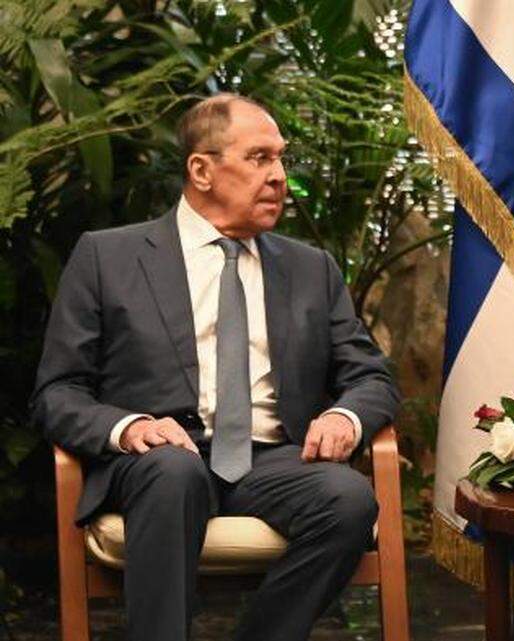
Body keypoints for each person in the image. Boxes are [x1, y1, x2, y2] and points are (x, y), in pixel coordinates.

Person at [32, 94, 401, 641]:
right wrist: (128, 427)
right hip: (157, 460)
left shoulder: (310, 268)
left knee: (348, 500)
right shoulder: (107, 258)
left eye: (281, 158)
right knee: (173, 472)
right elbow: (57, 392)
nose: (278, 176)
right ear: (201, 170)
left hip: (273, 460)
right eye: (258, 158)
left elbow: (369, 375)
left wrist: (344, 417)